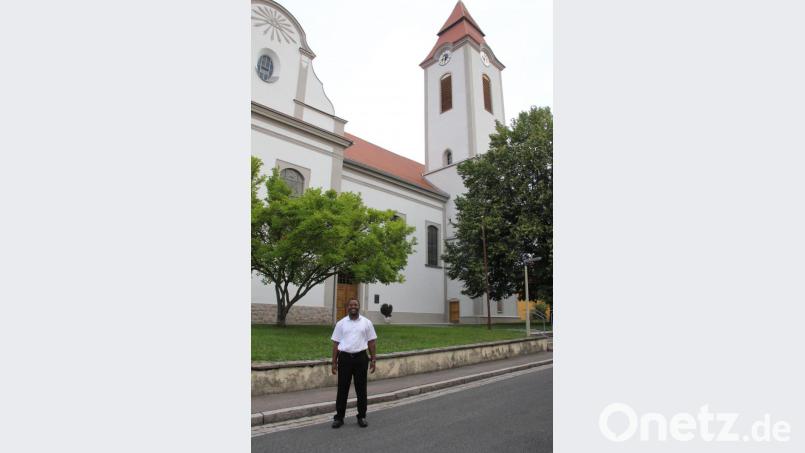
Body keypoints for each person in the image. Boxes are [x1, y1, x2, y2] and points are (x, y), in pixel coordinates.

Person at [330, 298, 377, 428]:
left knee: (361, 389)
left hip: (361, 358)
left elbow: (372, 342)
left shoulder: (367, 323)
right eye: (351, 304)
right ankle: (339, 417)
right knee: (342, 389)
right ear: (347, 307)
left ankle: (361, 416)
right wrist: (334, 362)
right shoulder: (341, 323)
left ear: (359, 306)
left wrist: (373, 359)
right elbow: (336, 343)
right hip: (344, 359)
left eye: (355, 304)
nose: (353, 306)